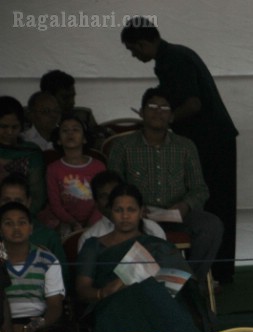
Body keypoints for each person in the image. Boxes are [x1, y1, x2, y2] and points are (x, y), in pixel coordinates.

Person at [121, 17, 239, 283]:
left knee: (214, 208)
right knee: (219, 206)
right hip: (213, 139)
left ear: (142, 42)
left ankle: (212, 274)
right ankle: (214, 273)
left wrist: (168, 119)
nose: (134, 55)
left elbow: (193, 103)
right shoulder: (179, 53)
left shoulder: (171, 60)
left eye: (133, 49)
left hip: (210, 141)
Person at [107, 88, 223, 285]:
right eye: (152, 107)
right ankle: (161, 289)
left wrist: (185, 205)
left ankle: (189, 283)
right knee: (135, 234)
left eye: (164, 108)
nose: (157, 111)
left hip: (178, 214)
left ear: (171, 116)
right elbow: (113, 189)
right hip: (139, 216)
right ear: (141, 112)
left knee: (211, 226)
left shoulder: (185, 146)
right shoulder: (122, 146)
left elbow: (200, 189)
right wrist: (134, 209)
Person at [75, 183, 202, 332]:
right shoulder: (93, 245)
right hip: (110, 308)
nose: (125, 216)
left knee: (147, 290)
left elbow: (180, 287)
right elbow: (82, 290)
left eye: (131, 210)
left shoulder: (156, 245)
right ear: (110, 212)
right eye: (119, 210)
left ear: (141, 212)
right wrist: (103, 292)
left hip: (154, 308)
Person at [1, 202, 64, 332]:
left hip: (38, 323)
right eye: (9, 223)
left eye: (22, 223)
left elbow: (55, 305)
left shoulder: (48, 260)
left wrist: (37, 325)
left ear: (31, 228)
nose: (16, 228)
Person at [45, 115, 105, 233]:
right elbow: (55, 203)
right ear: (58, 140)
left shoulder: (98, 166)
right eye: (65, 130)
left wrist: (90, 223)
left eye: (76, 130)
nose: (70, 134)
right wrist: (73, 223)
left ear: (85, 138)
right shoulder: (53, 169)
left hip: (96, 220)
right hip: (65, 222)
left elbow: (103, 199)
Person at [0, 96, 45, 214]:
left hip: (24, 217)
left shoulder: (31, 152)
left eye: (14, 127)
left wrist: (18, 219)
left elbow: (37, 197)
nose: (9, 132)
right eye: (3, 127)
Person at [39, 70, 102, 148]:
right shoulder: (30, 118)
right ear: (48, 97)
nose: (72, 102)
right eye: (65, 98)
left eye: (73, 96)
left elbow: (98, 147)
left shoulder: (83, 117)